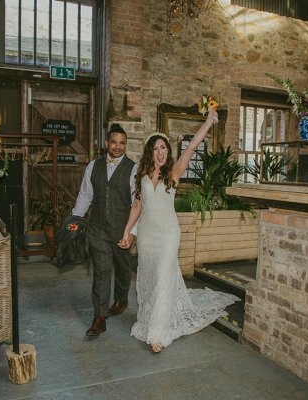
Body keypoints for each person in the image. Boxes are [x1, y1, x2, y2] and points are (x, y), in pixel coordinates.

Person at [118, 108, 238, 353]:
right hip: (148, 237)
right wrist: (127, 232)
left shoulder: (173, 173)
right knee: (152, 280)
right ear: (150, 152)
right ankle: (151, 319)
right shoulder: (141, 176)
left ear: (168, 151)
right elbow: (137, 206)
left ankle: (158, 334)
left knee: (163, 278)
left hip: (169, 235)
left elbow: (192, 146)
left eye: (164, 148)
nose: (161, 153)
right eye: (156, 148)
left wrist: (207, 123)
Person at [72, 123, 138, 336]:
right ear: (106, 143)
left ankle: (121, 298)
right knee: (101, 272)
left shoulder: (134, 169)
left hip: (122, 229)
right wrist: (75, 219)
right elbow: (85, 196)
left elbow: (138, 204)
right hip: (98, 229)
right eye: (114, 142)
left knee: (123, 268)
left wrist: (131, 232)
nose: (118, 147)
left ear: (125, 145)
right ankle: (99, 317)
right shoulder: (93, 166)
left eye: (122, 143)